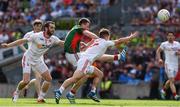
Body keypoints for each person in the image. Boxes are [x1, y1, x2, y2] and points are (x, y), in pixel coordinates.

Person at [54, 28, 138, 104]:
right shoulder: (105, 42)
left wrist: (117, 56)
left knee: (99, 74)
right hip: (85, 61)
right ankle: (60, 91)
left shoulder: (96, 41)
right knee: (75, 78)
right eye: (109, 37)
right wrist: (130, 38)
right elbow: (119, 40)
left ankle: (92, 92)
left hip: (85, 60)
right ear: (107, 36)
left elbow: (101, 56)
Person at [63, 18, 127, 103]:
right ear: (82, 24)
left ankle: (75, 93)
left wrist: (86, 45)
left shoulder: (77, 34)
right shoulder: (79, 29)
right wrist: (100, 40)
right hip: (80, 58)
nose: (88, 28)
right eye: (87, 26)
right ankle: (62, 91)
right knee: (77, 78)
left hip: (83, 58)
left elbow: (87, 49)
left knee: (91, 75)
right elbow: (90, 37)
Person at [1, 21, 64, 103]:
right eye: (51, 28)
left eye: (54, 28)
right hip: (28, 58)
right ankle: (16, 92)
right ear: (46, 28)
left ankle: (40, 98)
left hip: (38, 60)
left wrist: (76, 44)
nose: (53, 29)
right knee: (26, 81)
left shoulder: (53, 39)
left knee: (48, 79)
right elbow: (21, 41)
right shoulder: (36, 36)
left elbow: (62, 43)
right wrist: (8, 45)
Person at [19, 19, 43, 98]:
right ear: (34, 26)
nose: (38, 28)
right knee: (37, 77)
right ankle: (39, 96)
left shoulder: (43, 35)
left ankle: (27, 85)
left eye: (40, 26)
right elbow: (20, 43)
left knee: (39, 77)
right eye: (37, 26)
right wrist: (26, 51)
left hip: (39, 57)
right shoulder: (29, 34)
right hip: (30, 57)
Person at [157, 32, 180, 100]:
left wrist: (179, 53)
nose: (170, 37)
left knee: (170, 80)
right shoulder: (164, 44)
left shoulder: (177, 44)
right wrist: (159, 59)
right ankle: (176, 96)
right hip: (168, 64)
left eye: (171, 36)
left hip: (175, 64)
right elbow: (158, 51)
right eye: (169, 36)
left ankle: (163, 90)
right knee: (172, 80)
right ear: (167, 37)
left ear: (174, 37)